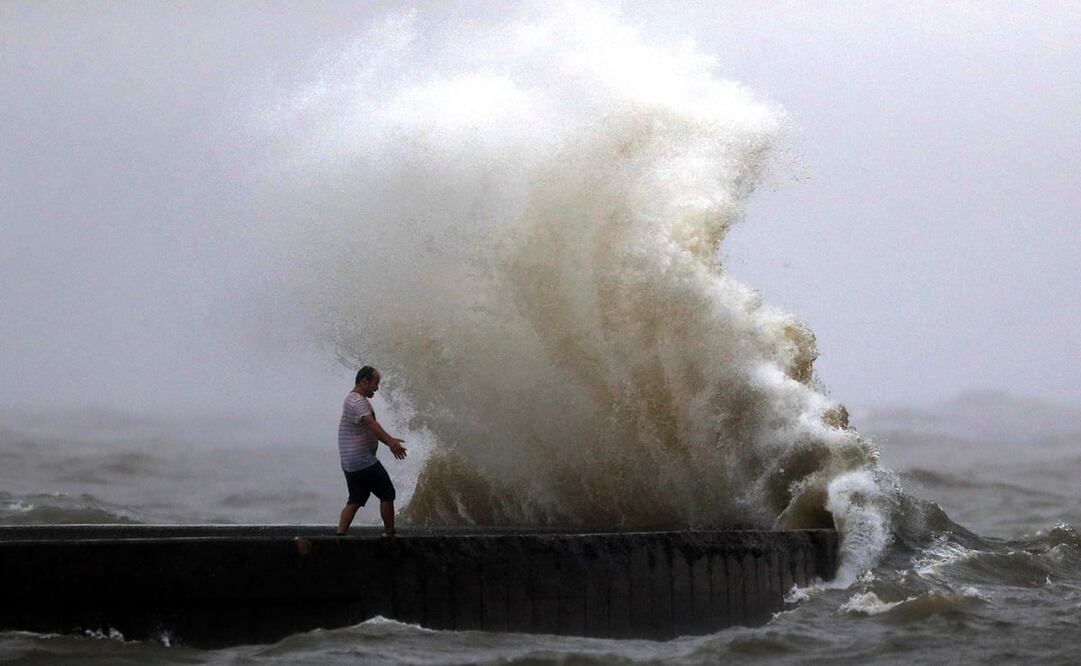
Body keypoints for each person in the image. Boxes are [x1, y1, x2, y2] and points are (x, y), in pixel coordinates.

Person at [336, 366, 407, 536]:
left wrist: (389, 441)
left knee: (356, 499)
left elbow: (372, 428)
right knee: (387, 493)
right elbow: (371, 424)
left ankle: (339, 535)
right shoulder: (357, 401)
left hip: (350, 462)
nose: (377, 387)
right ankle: (390, 533)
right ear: (364, 381)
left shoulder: (354, 400)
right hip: (362, 461)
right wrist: (390, 442)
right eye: (375, 383)